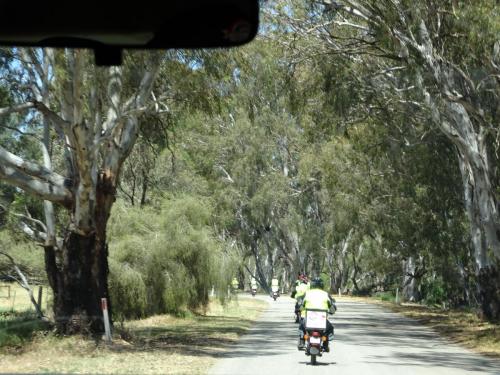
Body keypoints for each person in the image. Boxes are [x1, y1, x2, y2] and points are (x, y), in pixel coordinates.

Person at [297, 277, 336, 351]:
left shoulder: (307, 294)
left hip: (309, 320)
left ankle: (302, 341)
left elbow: (301, 306)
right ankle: (325, 344)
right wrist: (332, 311)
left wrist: (300, 309)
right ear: (322, 285)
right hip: (322, 321)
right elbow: (332, 308)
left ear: (312, 285)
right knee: (330, 328)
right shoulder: (326, 294)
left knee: (301, 326)